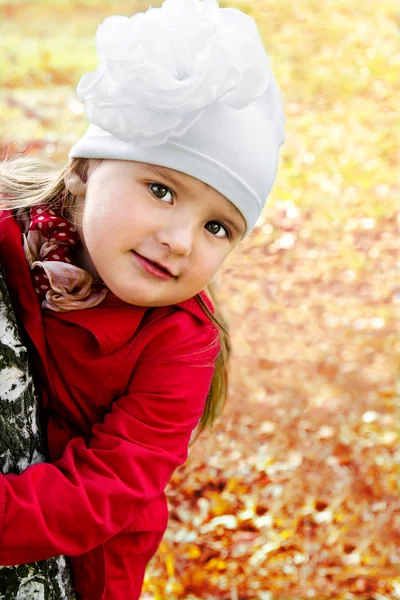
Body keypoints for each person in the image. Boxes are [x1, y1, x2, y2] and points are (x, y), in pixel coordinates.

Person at [0, 0, 285, 597]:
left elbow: (103, 491)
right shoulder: (16, 229)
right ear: (85, 168)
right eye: (160, 189)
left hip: (88, 567)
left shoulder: (182, 346)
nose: (180, 241)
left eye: (218, 228)